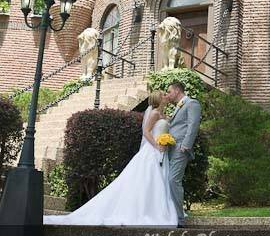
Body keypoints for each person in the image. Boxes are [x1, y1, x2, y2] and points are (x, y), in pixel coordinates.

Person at [43, 91, 177, 227]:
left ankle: (155, 210)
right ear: (159, 99)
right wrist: (156, 145)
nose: (166, 96)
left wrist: (165, 143)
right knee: (149, 180)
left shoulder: (163, 115)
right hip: (152, 151)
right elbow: (146, 131)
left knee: (158, 180)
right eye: (164, 95)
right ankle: (146, 212)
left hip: (162, 152)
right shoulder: (154, 113)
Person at [164, 81, 202, 228]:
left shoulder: (192, 103)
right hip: (171, 148)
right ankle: (174, 215)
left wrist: (186, 145)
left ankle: (180, 219)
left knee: (173, 180)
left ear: (177, 90)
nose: (168, 94)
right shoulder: (178, 106)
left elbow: (193, 125)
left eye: (169, 91)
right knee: (170, 180)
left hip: (181, 148)